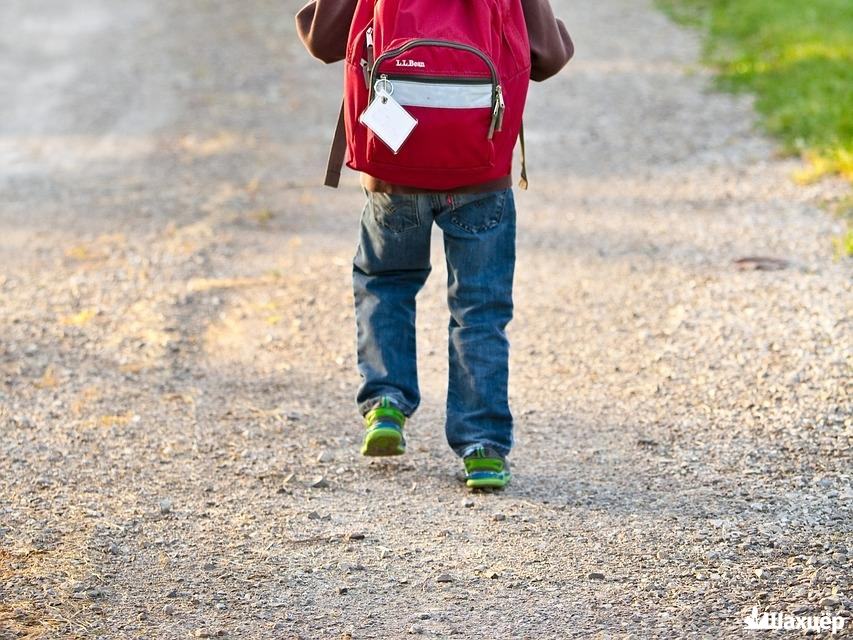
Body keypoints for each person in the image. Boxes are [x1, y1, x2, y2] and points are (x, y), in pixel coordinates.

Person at [296, 0, 573, 488]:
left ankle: (386, 402)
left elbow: (322, 41)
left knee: (384, 281)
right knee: (480, 310)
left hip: (395, 169)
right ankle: (482, 446)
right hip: (480, 173)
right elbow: (548, 58)